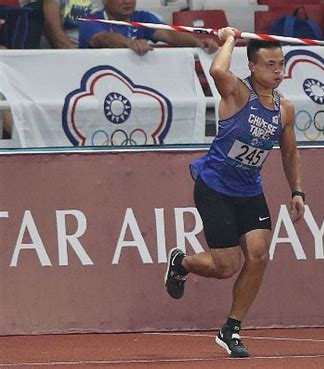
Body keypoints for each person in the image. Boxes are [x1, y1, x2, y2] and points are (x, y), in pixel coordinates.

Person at [164, 27, 305, 358]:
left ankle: (231, 329)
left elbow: (289, 153)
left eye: (281, 64)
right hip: (214, 186)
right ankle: (181, 262)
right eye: (270, 64)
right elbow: (216, 70)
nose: (277, 71)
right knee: (226, 266)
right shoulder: (237, 93)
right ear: (253, 66)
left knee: (258, 256)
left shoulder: (285, 109)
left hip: (249, 190)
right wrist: (229, 38)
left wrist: (297, 190)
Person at [78, 0, 218, 54]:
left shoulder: (142, 18)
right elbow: (105, 38)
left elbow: (169, 34)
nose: (128, 1)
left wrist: (198, 42)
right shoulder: (89, 20)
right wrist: (130, 43)